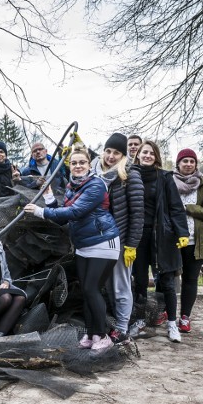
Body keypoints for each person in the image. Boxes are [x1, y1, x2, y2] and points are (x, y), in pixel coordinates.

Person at [25, 144, 120, 351]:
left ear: (89, 164)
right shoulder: (71, 187)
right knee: (87, 291)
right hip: (83, 246)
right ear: (69, 165)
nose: (78, 166)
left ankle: (103, 335)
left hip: (103, 243)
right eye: (74, 163)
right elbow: (61, 218)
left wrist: (40, 211)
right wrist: (49, 198)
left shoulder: (96, 185)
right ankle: (92, 333)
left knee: (92, 289)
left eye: (82, 162)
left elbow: (75, 212)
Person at [129, 140, 189, 343]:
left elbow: (175, 207)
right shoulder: (130, 175)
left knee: (167, 281)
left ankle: (172, 323)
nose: (147, 155)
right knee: (140, 280)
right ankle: (139, 321)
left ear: (156, 157)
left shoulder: (164, 177)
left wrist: (182, 232)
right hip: (137, 236)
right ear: (138, 154)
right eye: (144, 152)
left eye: (151, 153)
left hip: (161, 235)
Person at [90, 133, 144, 344]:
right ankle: (113, 323)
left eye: (117, 153)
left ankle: (122, 328)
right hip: (98, 240)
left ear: (123, 155)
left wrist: (131, 244)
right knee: (104, 286)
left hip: (120, 241)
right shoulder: (95, 173)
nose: (111, 156)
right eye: (109, 151)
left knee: (120, 286)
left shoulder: (129, 175)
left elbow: (138, 213)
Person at [173, 148, 203, 333]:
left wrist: (189, 208)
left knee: (190, 279)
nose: (189, 164)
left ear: (196, 164)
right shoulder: (169, 182)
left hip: (195, 240)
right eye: (185, 161)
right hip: (173, 240)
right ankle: (165, 313)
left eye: (192, 161)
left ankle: (185, 317)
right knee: (167, 277)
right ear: (178, 164)